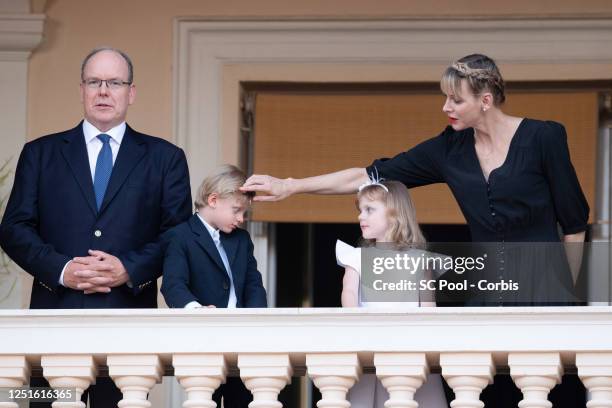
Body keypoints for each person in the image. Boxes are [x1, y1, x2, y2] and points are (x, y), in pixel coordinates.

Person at [242, 54, 589, 406]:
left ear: (485, 101)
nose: (445, 107)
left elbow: (574, 223)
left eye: (456, 99)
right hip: (486, 293)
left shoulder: (544, 136)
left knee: (550, 392)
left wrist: (567, 294)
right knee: (485, 394)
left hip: (545, 290)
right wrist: (290, 185)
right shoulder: (448, 150)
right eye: (445, 97)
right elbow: (365, 176)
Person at [0, 47, 192, 407]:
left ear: (131, 92)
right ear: (82, 89)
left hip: (128, 325)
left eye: (115, 82)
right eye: (94, 82)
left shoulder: (166, 158)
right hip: (52, 322)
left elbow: (178, 235)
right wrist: (62, 269)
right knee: (45, 403)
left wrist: (128, 269)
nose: (104, 91)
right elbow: (14, 228)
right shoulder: (40, 153)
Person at [162, 164, 267, 408]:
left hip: (242, 340)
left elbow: (253, 284)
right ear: (213, 200)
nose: (241, 219)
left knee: (243, 399)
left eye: (244, 213)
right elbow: (173, 284)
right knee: (204, 400)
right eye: (237, 210)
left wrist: (257, 319)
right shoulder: (181, 236)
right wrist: (196, 311)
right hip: (203, 338)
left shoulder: (241, 238)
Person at [336, 180, 447, 408]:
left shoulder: (419, 261)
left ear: (394, 213)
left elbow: (428, 307)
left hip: (410, 347)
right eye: (360, 210)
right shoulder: (356, 257)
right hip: (369, 343)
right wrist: (355, 328)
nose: (360, 217)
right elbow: (348, 294)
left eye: (369, 210)